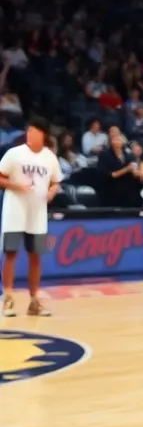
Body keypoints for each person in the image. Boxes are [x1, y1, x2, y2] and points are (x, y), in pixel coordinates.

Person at [0, 117, 60, 317]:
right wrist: (17, 186)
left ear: (43, 134)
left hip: (37, 213)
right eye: (29, 131)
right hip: (14, 211)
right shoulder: (14, 154)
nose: (30, 135)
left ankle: (34, 301)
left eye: (34, 131)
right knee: (11, 254)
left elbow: (55, 182)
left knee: (35, 257)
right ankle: (8, 298)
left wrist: (51, 192)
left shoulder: (49, 157)